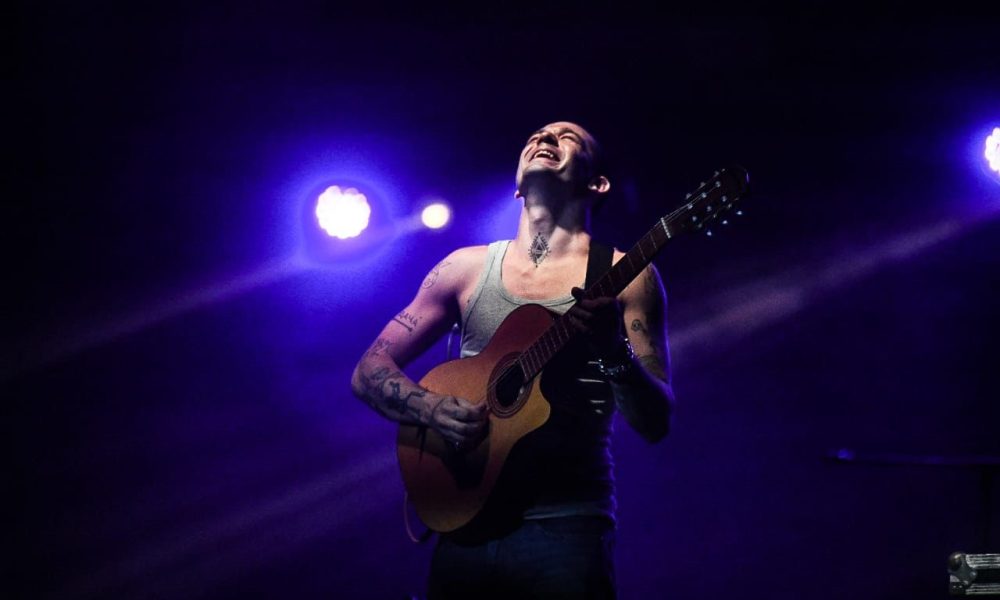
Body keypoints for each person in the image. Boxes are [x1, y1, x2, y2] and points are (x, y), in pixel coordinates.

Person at [350, 121, 674, 599]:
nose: (544, 139)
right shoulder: (463, 269)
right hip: (464, 521)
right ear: (517, 186)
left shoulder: (628, 276)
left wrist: (614, 352)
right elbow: (369, 371)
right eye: (536, 136)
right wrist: (431, 408)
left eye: (567, 137)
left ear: (598, 183)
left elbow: (656, 421)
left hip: (567, 529)